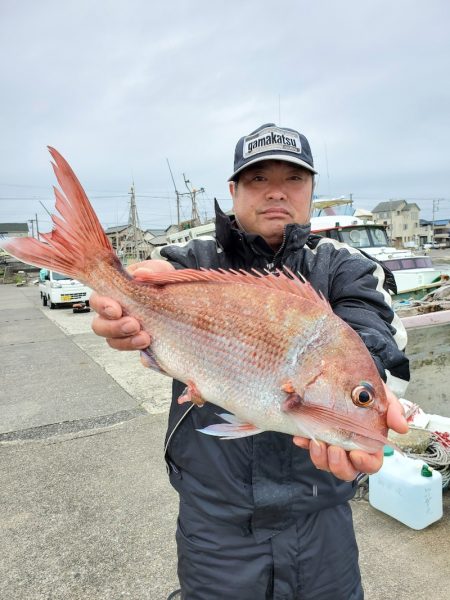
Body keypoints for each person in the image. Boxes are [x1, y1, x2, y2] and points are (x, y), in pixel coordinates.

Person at [90, 123, 409, 599]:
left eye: (293, 179)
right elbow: (162, 276)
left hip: (321, 518)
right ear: (234, 190)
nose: (276, 192)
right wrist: (124, 308)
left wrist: (367, 384)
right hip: (214, 522)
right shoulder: (192, 259)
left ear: (311, 189)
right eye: (259, 179)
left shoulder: (343, 262)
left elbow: (371, 323)